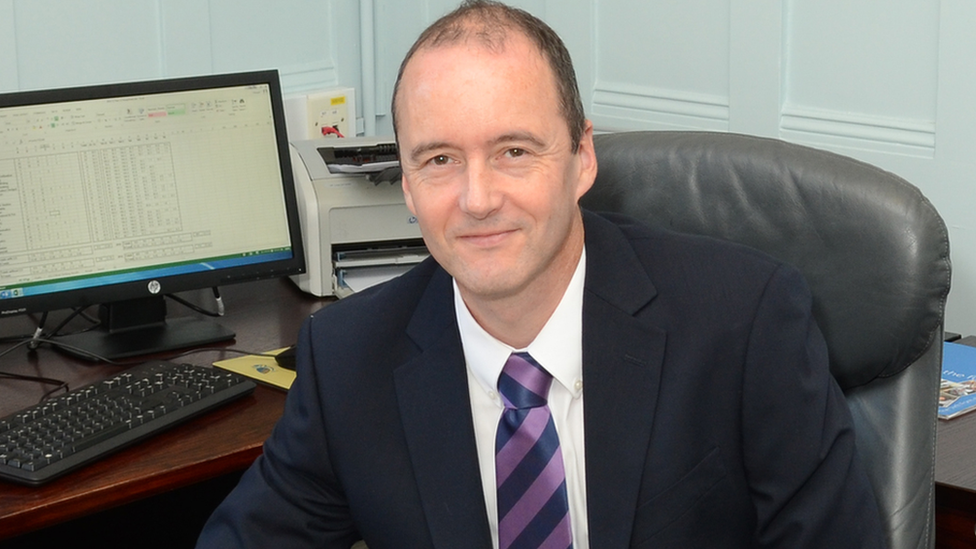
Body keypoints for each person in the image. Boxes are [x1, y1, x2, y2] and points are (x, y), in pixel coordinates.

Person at [197, 1, 887, 548]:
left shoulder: (744, 321)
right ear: (405, 183)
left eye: (514, 150)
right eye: (438, 159)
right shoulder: (350, 360)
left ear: (582, 157)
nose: (477, 198)